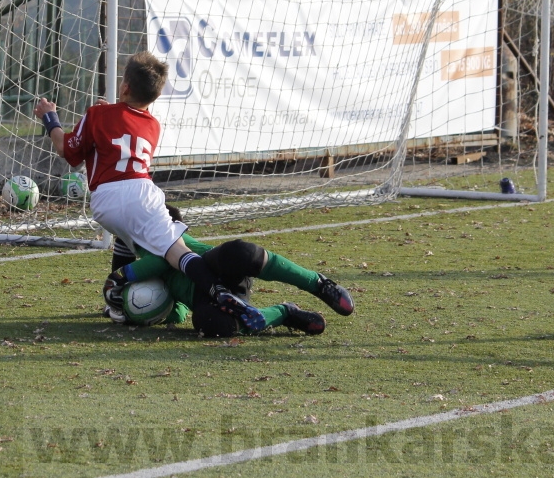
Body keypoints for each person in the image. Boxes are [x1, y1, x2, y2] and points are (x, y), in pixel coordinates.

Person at [33, 51, 267, 331]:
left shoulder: (98, 114)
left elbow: (66, 150)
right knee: (172, 247)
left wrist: (50, 119)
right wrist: (106, 113)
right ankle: (218, 289)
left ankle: (217, 290)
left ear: (125, 87)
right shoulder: (153, 126)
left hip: (108, 200)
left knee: (175, 253)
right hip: (141, 194)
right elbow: (120, 128)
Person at [108, 206, 355, 337]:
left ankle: (318, 283)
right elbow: (178, 313)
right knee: (212, 325)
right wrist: (147, 312)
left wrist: (119, 278)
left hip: (220, 270)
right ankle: (284, 313)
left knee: (241, 253)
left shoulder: (171, 240)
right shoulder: (147, 272)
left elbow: (160, 260)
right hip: (213, 298)